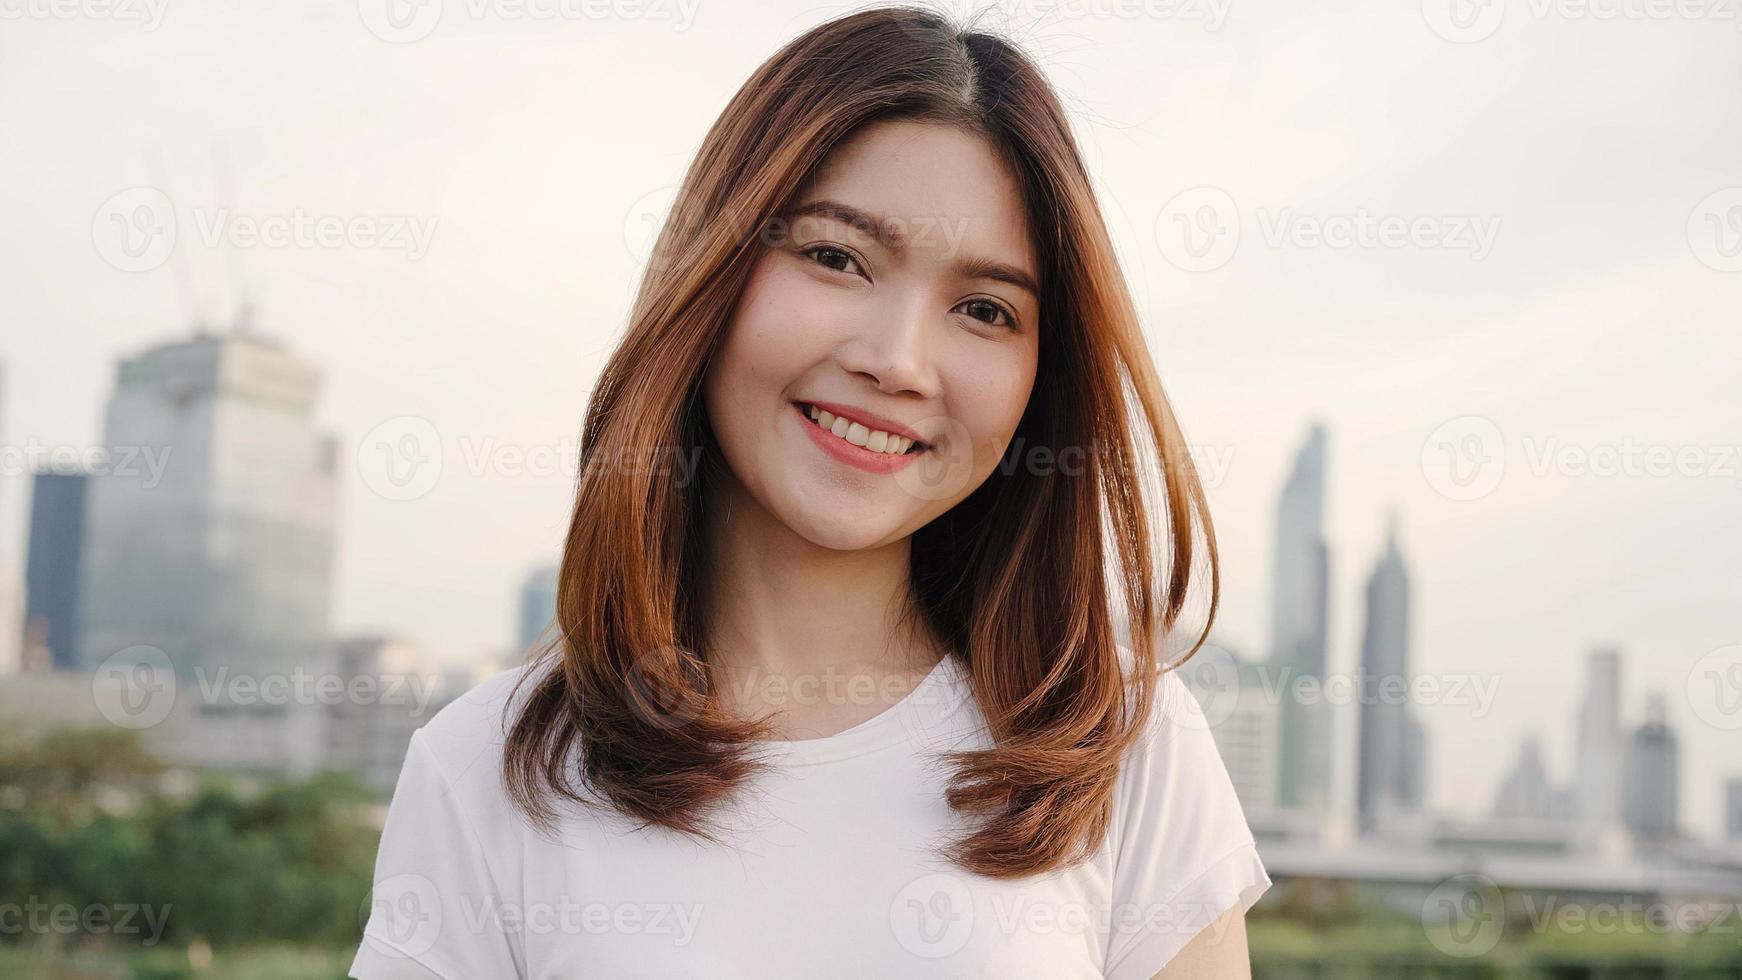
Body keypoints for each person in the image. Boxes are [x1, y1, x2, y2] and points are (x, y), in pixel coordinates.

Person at [351, 6, 1269, 977]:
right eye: (835, 256)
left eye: (983, 308)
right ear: (709, 269)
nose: (896, 361)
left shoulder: (1122, 741)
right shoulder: (483, 771)